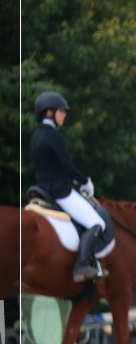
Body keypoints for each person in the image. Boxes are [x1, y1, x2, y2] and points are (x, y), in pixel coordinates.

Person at [30, 91, 106, 282]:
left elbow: (52, 166)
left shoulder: (35, 138)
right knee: (97, 223)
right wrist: (84, 181)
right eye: (61, 111)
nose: (64, 115)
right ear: (49, 112)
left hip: (41, 189)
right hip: (60, 192)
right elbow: (66, 166)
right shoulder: (55, 137)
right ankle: (80, 266)